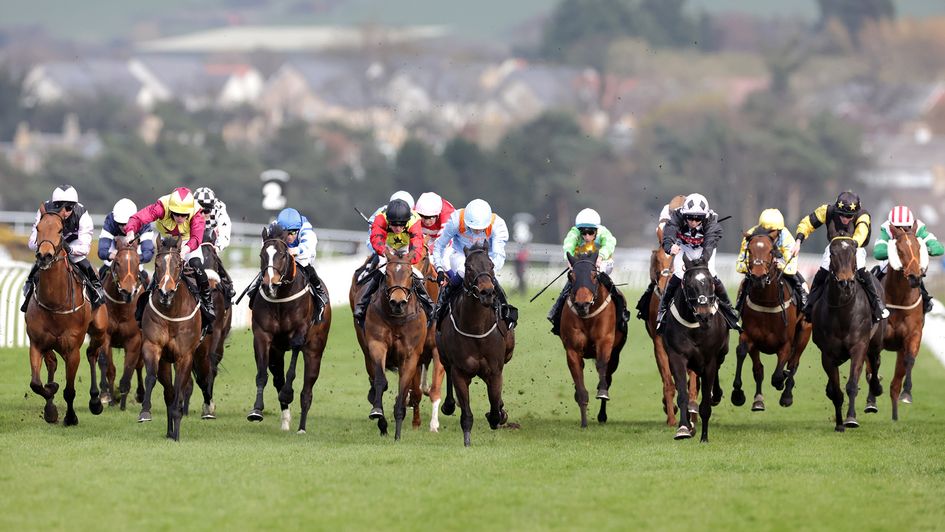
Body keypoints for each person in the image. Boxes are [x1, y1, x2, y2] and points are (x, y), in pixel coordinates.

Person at [123, 187, 215, 332]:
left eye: (184, 215)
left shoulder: (197, 213)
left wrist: (185, 250)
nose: (180, 217)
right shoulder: (161, 207)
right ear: (170, 209)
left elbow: (196, 238)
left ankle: (208, 304)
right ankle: (143, 309)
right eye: (176, 213)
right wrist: (130, 231)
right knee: (161, 269)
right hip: (166, 240)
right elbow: (138, 218)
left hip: (188, 242)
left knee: (197, 265)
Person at [791, 191, 887, 322]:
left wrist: (852, 245)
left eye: (849, 216)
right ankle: (810, 305)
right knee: (823, 271)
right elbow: (808, 223)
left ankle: (877, 304)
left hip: (855, 247)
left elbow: (862, 231)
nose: (845, 219)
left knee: (861, 269)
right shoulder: (827, 210)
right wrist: (798, 240)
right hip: (834, 247)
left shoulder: (863, 215)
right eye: (841, 215)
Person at [655, 193, 741, 332]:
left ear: (704, 217)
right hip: (684, 247)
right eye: (690, 218)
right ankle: (662, 311)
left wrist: (702, 260)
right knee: (678, 274)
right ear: (684, 214)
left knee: (711, 274)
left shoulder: (711, 221)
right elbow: (669, 232)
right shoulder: (677, 216)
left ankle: (729, 311)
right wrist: (670, 247)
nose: (694, 222)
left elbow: (709, 244)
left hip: (704, 249)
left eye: (698, 218)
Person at [432, 198, 518, 329]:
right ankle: (439, 310)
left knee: (489, 280)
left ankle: (506, 314)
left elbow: (498, 255)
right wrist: (439, 268)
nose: (477, 231)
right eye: (473, 228)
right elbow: (439, 246)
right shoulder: (456, 220)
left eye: (481, 228)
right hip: (461, 255)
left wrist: (488, 272)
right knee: (462, 272)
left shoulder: (497, 225)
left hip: (485, 259)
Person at [352, 198, 434, 328]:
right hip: (387, 247)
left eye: (401, 225)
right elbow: (375, 238)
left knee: (415, 272)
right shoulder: (381, 218)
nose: (398, 228)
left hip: (407, 248)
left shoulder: (414, 221)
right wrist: (385, 252)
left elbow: (417, 245)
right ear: (388, 221)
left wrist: (408, 260)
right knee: (382, 269)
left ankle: (429, 306)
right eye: (394, 225)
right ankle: (363, 303)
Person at [547, 208, 628, 335]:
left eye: (590, 232)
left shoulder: (603, 233)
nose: (586, 236)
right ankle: (556, 311)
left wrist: (600, 256)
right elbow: (568, 245)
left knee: (604, 280)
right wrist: (568, 259)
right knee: (571, 283)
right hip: (582, 264)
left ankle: (621, 312)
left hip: (602, 262)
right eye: (583, 233)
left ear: (596, 230)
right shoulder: (574, 232)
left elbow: (610, 243)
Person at [23, 185, 104, 311]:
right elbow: (32, 243)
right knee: (41, 260)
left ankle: (96, 287)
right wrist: (45, 245)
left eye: (68, 207)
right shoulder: (44, 210)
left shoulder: (82, 214)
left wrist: (69, 249)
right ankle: (29, 286)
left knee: (79, 259)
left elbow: (85, 247)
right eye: (58, 206)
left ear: (74, 206)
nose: (63, 212)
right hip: (51, 244)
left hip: (74, 244)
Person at [247, 208, 329, 323]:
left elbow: (308, 246)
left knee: (306, 265)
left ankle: (319, 292)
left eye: (293, 232)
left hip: (301, 256)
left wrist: (295, 250)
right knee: (270, 267)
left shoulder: (306, 228)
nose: (290, 237)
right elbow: (267, 245)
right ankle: (255, 289)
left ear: (299, 229)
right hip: (281, 255)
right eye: (287, 233)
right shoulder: (274, 226)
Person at [734, 208, 808, 313]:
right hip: (759, 263)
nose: (769, 235)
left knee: (796, 277)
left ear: (779, 230)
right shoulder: (750, 235)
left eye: (773, 232)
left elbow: (791, 267)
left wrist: (777, 265)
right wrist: (754, 266)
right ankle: (739, 304)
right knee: (746, 281)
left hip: (781, 261)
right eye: (766, 231)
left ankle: (804, 297)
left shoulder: (786, 237)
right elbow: (739, 265)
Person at [873, 205, 943, 313]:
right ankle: (872, 300)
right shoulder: (886, 229)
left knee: (917, 275)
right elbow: (878, 252)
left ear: (911, 225)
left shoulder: (919, 229)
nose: (902, 230)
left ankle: (925, 301)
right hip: (892, 263)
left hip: (911, 264)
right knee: (876, 272)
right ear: (891, 225)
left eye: (906, 227)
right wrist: (900, 251)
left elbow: (939, 248)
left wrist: (921, 249)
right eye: (897, 227)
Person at [636, 194, 687, 320]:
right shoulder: (666, 212)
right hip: (668, 247)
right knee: (654, 281)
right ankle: (645, 309)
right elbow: (661, 231)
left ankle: (724, 308)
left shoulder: (693, 213)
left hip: (688, 248)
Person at [97, 198, 156, 286]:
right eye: (121, 224)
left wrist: (132, 259)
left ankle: (147, 296)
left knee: (141, 271)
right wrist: (111, 255)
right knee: (105, 268)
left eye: (127, 223)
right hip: (116, 247)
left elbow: (148, 253)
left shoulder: (143, 223)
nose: (124, 227)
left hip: (136, 247)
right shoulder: (110, 221)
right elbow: (102, 251)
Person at [194, 187, 236, 304]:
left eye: (207, 211)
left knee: (214, 259)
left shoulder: (219, 208)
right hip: (192, 240)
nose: (204, 214)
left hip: (210, 241)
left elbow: (225, 227)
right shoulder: (188, 207)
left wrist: (218, 246)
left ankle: (228, 287)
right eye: (200, 211)